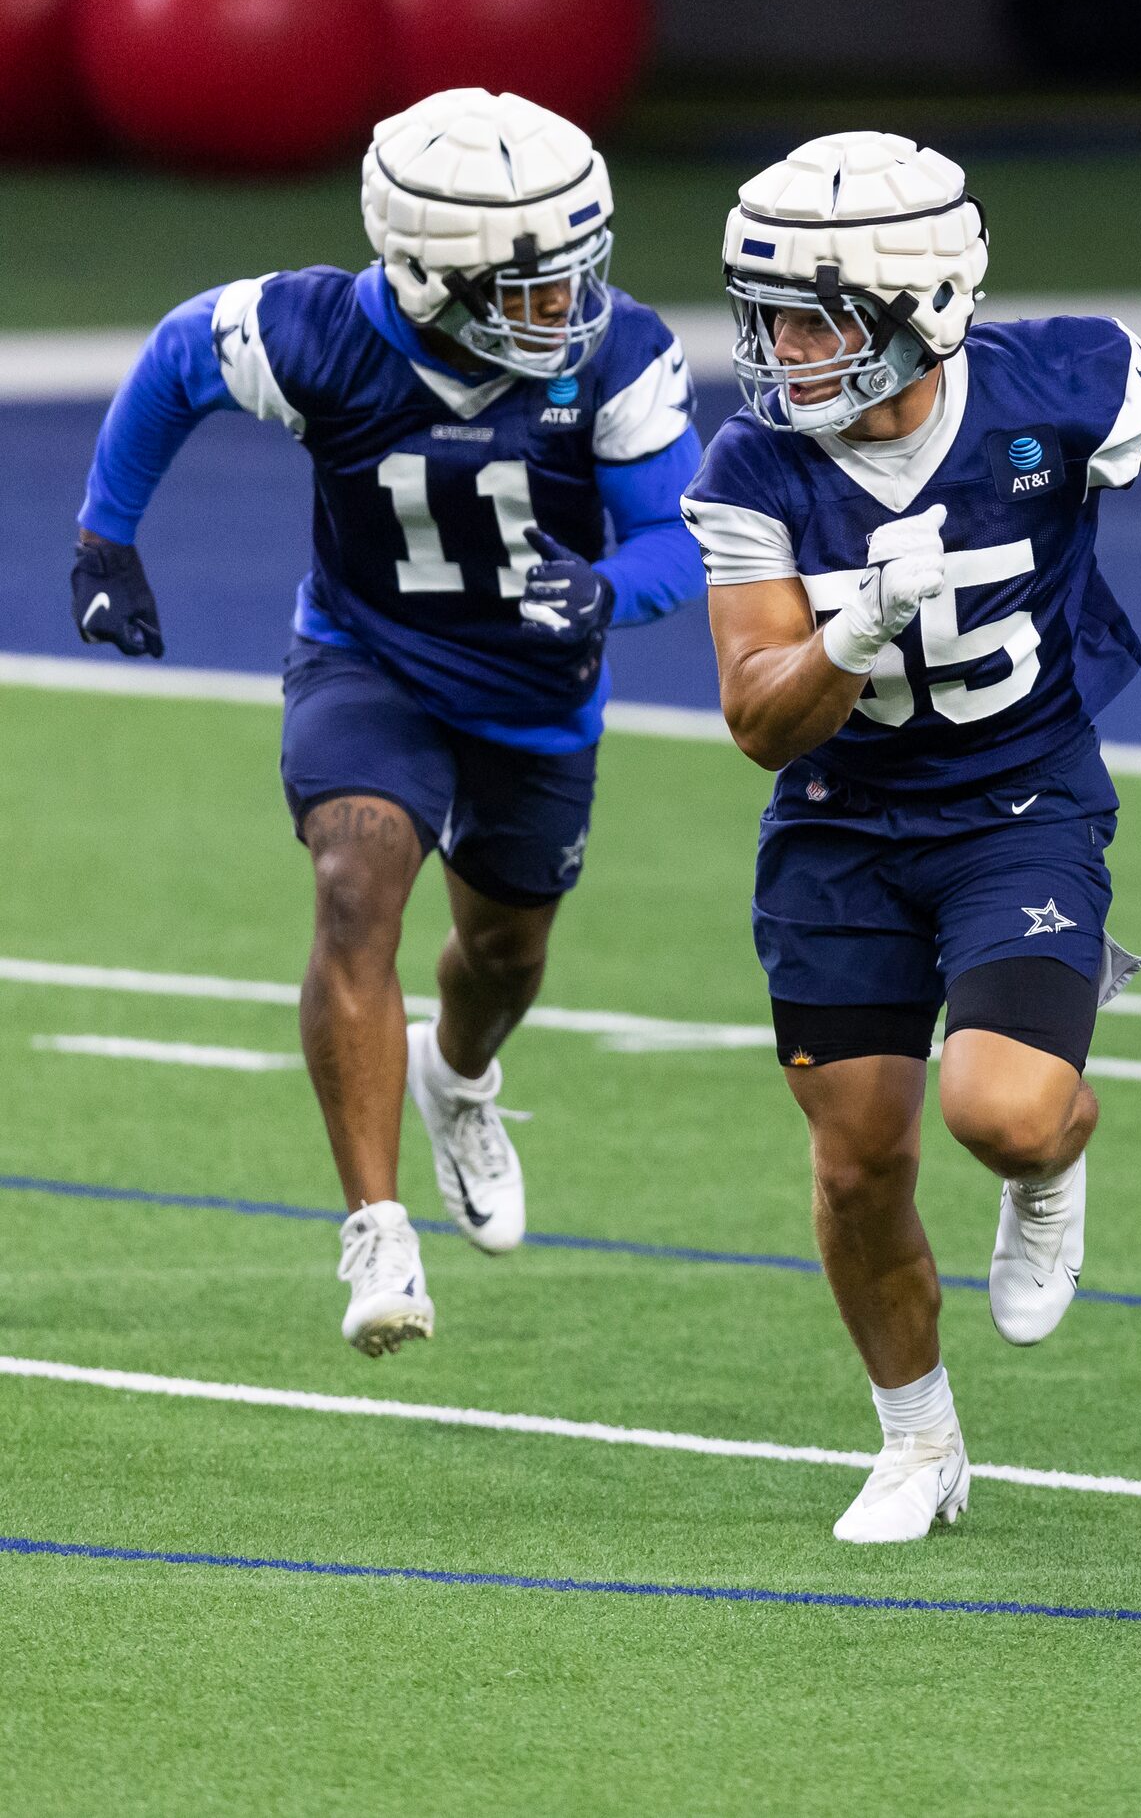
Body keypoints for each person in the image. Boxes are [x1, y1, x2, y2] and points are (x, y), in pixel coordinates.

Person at [683, 131, 1141, 1543]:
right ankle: (916, 1440)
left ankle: (1053, 1158)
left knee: (999, 1111)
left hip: (1016, 799)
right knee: (855, 1157)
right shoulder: (753, 464)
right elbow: (758, 719)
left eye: (810, 315)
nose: (779, 349)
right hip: (838, 820)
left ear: (916, 306)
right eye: (769, 317)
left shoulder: (1052, 384)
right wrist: (850, 628)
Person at [71, 87, 703, 1358]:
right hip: (371, 657)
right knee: (356, 884)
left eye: (573, 273)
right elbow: (176, 360)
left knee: (505, 957)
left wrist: (604, 595)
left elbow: (678, 540)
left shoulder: (618, 354)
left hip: (535, 694)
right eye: (528, 285)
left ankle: (461, 1079)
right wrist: (105, 536)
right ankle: (376, 1226)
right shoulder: (317, 333)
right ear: (427, 275)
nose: (563, 308)